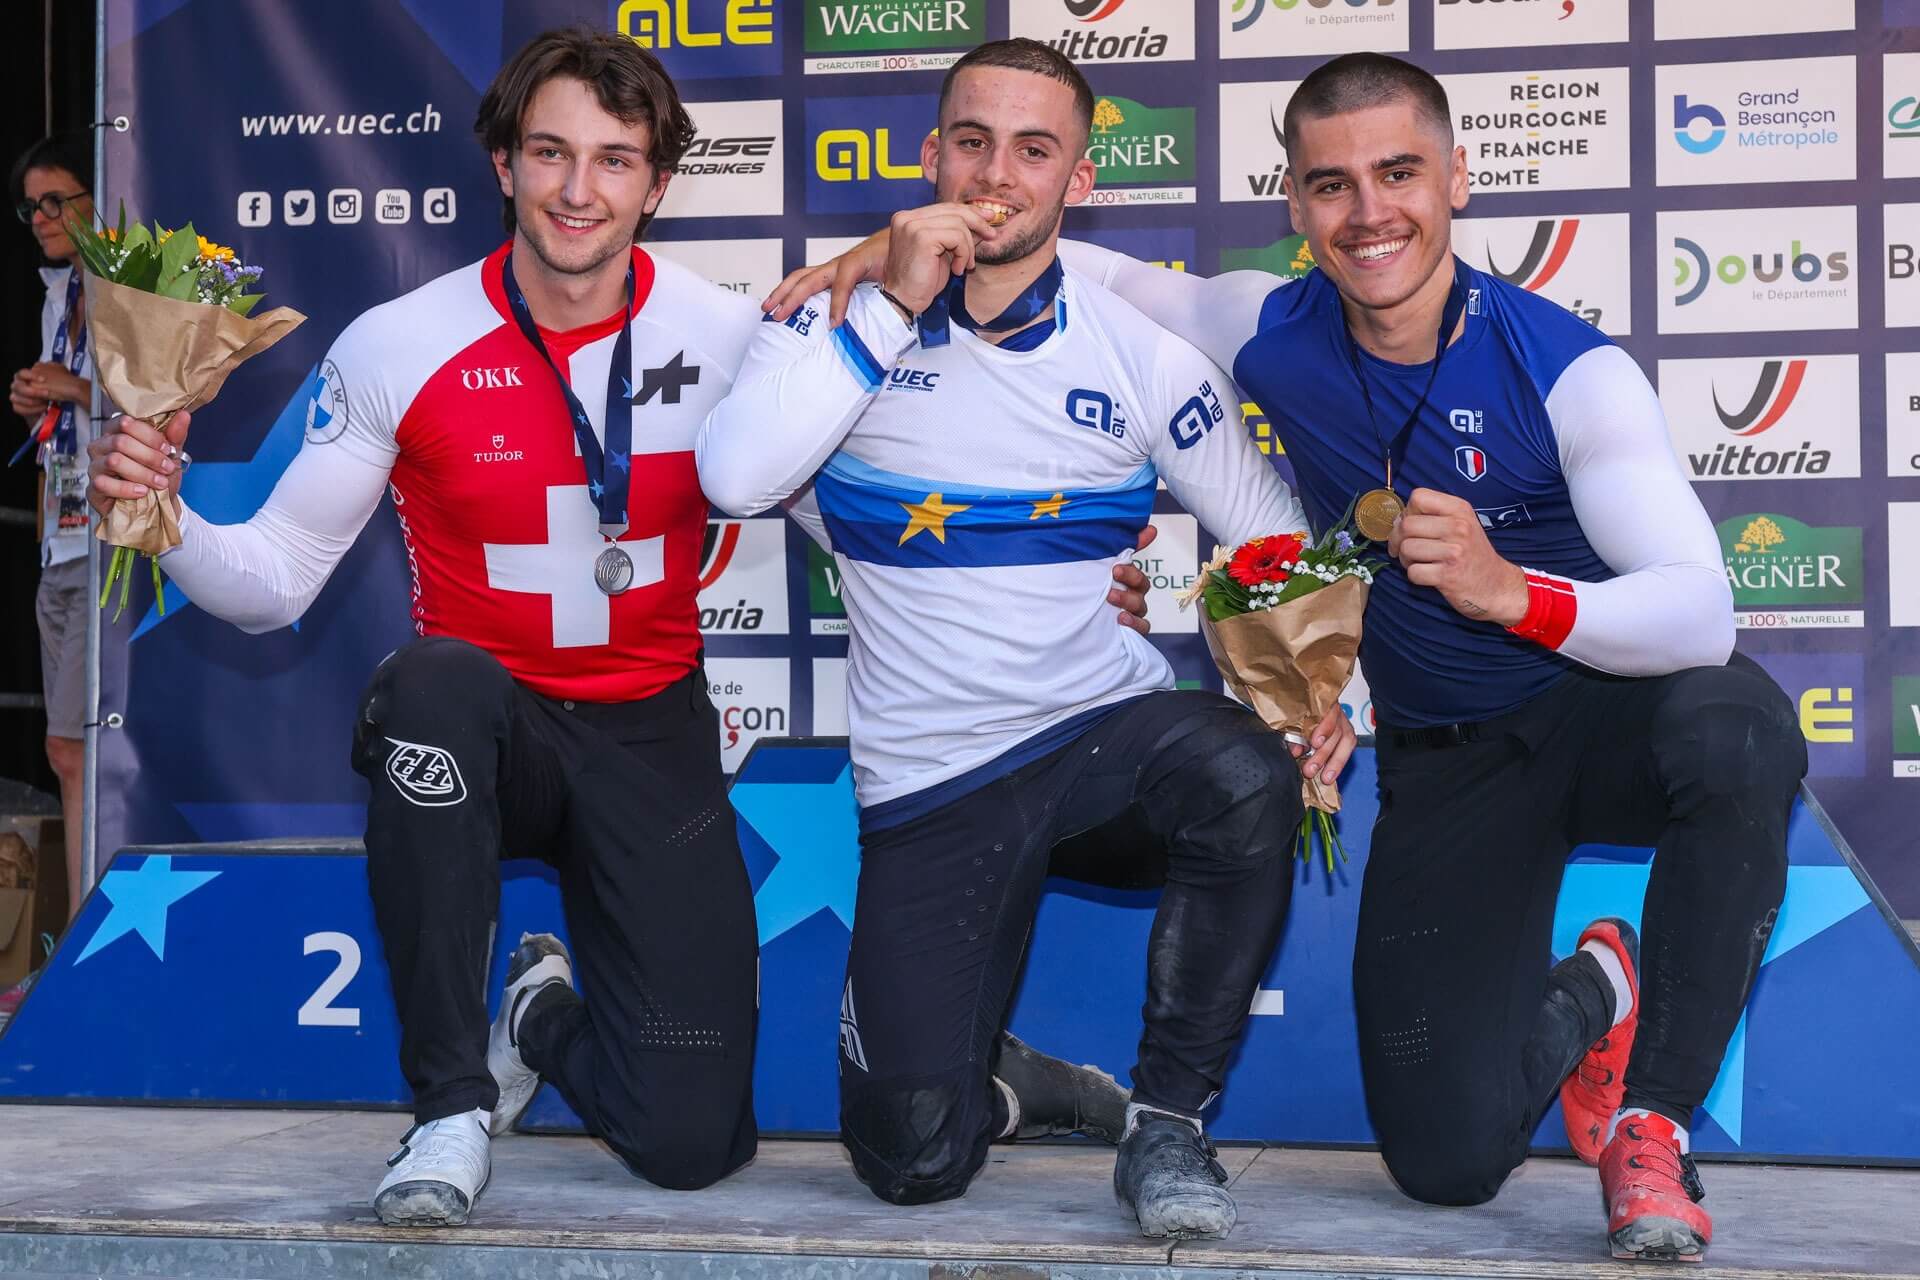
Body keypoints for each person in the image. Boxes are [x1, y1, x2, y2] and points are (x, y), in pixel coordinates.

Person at [87, 27, 1139, 1229]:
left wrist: (1065, 584)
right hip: (492, 726)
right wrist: (161, 520)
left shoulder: (735, 337)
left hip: (652, 739)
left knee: (692, 1143)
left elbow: (885, 532)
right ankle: (447, 1107)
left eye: (614, 159)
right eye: (550, 153)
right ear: (503, 165)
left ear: (656, 181)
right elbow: (273, 579)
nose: (578, 190)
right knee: (430, 685)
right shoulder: (400, 341)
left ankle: (542, 1011)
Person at [773, 50, 1805, 1265]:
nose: (1369, 212)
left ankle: (1656, 1125)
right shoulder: (1265, 327)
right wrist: (868, 263)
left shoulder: (1568, 367)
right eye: (1331, 184)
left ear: (1460, 178)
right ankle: (1595, 988)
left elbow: (1699, 615)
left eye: (1400, 172)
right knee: (1446, 1159)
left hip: (1600, 713)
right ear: (1296, 203)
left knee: (1737, 727)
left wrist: (1510, 590)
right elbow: (1067, 257)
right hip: (1453, 763)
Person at [699, 38, 1354, 1240]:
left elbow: (1270, 536)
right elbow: (738, 478)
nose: (997, 175)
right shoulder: (833, 320)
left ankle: (1166, 1126)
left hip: (1096, 738)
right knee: (906, 1161)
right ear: (929, 151)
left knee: (1239, 774)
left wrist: (1312, 692)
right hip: (932, 785)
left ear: (1080, 178)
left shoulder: (1141, 355)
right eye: (972, 141)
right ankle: (1018, 1083)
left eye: (1034, 149)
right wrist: (893, 299)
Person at [9, 133, 99, 928]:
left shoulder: (127, 286)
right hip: (58, 539)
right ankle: (79, 941)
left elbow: (156, 407)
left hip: (108, 550)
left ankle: (81, 944)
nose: (40, 216)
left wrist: (72, 386)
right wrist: (40, 398)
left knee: (81, 752)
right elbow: (72, 397)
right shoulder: (56, 293)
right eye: (30, 204)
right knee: (63, 751)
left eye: (55, 200)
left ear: (96, 196)